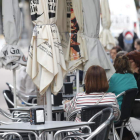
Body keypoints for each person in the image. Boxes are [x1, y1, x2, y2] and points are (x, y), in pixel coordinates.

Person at [126, 51, 140, 117]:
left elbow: (134, 88)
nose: (128, 64)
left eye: (131, 62)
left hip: (136, 104)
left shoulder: (135, 75)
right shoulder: (129, 73)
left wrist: (135, 74)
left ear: (137, 62)